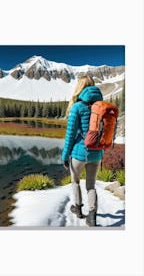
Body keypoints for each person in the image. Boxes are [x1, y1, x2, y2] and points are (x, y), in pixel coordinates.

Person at [62, 75, 104, 227]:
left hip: (79, 153)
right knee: (91, 185)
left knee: (75, 181)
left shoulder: (77, 107)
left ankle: (78, 209)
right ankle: (92, 217)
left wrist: (65, 156)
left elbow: (70, 135)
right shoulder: (102, 106)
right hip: (97, 153)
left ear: (80, 87)